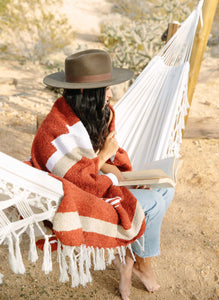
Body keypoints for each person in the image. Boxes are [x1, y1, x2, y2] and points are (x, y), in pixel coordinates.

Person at [31, 49, 174, 300]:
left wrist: (119, 172)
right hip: (79, 193)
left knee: (165, 190)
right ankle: (140, 264)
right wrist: (105, 158)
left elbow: (97, 158)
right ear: (87, 92)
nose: (111, 94)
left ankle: (131, 259)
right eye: (106, 88)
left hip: (97, 178)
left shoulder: (99, 113)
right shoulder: (54, 129)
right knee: (152, 203)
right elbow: (76, 178)